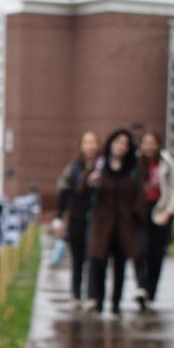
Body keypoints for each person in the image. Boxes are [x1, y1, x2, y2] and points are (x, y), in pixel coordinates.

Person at [84, 129, 146, 316]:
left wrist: (136, 216)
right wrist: (90, 181)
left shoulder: (133, 170)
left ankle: (116, 303)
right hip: (102, 225)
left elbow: (139, 196)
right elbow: (81, 190)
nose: (121, 147)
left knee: (119, 266)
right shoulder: (99, 166)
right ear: (111, 143)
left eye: (125, 144)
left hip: (124, 225)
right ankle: (98, 301)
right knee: (99, 263)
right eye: (118, 142)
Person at [133, 130, 174, 310]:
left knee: (156, 255)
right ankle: (141, 287)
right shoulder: (135, 162)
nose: (149, 146)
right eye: (145, 142)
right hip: (140, 212)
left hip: (160, 213)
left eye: (152, 142)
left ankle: (150, 292)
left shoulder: (167, 162)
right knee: (140, 250)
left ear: (158, 144)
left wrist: (167, 213)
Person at [52, 131, 100, 308]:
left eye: (93, 142)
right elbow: (63, 193)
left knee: (94, 258)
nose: (90, 146)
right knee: (77, 258)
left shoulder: (103, 166)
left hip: (96, 221)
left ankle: (92, 296)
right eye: (86, 142)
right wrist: (58, 217)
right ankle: (76, 295)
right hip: (76, 219)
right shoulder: (72, 167)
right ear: (81, 145)